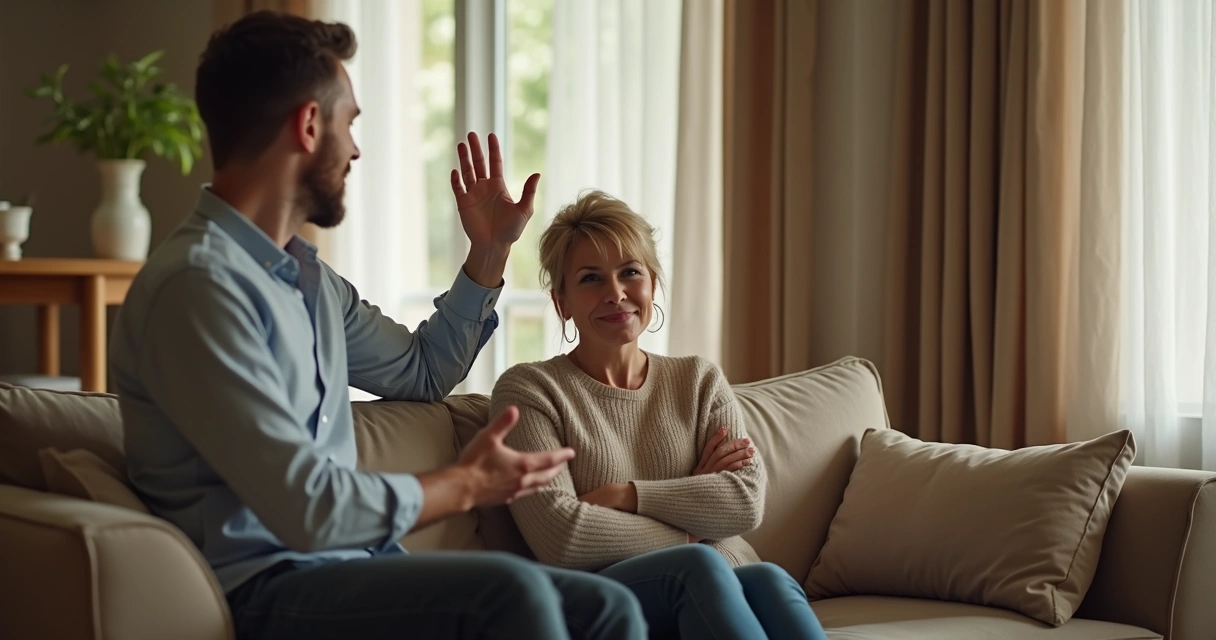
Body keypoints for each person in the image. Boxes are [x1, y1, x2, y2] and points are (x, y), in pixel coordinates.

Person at [108, 11, 646, 640]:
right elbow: (306, 506)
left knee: (608, 607)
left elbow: (422, 372)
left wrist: (490, 251)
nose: (357, 148)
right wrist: (463, 484)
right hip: (262, 589)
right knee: (511, 593)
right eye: (350, 123)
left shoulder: (310, 284)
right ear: (309, 125)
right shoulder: (197, 289)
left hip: (354, 567)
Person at [489, 190, 831, 640]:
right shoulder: (530, 390)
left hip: (719, 576)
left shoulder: (698, 380)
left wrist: (624, 495)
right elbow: (564, 536)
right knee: (697, 563)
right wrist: (692, 522)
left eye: (630, 273)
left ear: (652, 283)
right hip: (599, 599)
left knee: (769, 579)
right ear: (562, 302)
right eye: (591, 279)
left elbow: (744, 501)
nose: (616, 294)